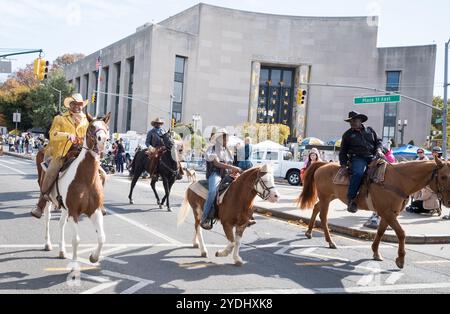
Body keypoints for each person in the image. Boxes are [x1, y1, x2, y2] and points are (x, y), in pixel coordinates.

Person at [31, 93, 90, 219]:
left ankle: (97, 204)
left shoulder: (86, 120)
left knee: (101, 173)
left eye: (80, 104)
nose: (78, 107)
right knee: (51, 172)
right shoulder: (60, 118)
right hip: (62, 152)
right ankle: (40, 205)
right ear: (70, 105)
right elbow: (53, 134)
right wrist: (67, 135)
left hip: (80, 152)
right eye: (75, 104)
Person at [339, 111, 383, 213]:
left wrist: (379, 150)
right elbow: (342, 152)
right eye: (350, 121)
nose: (352, 123)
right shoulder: (347, 135)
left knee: (386, 171)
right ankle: (351, 199)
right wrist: (343, 165)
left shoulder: (370, 130)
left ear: (360, 120)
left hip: (373, 157)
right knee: (358, 173)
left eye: (354, 120)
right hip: (358, 158)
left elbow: (379, 142)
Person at [200, 128, 241, 230]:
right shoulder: (211, 149)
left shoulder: (227, 151)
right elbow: (217, 163)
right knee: (212, 192)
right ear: (218, 139)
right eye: (224, 138)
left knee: (242, 187)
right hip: (216, 173)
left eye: (226, 138)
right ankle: (205, 218)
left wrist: (234, 170)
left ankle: (244, 215)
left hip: (227, 174)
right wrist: (232, 168)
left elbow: (230, 163)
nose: (226, 140)